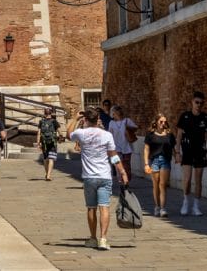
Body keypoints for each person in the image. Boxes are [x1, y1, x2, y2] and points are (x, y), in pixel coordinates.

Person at [70, 107, 129, 251]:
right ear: (98, 120)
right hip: (104, 176)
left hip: (89, 177)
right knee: (104, 207)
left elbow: (68, 133)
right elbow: (114, 156)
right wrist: (122, 171)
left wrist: (74, 118)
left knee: (91, 208)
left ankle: (92, 238)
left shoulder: (81, 133)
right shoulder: (106, 135)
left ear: (85, 120)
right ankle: (103, 239)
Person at [175, 90, 207, 216]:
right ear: (192, 102)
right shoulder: (185, 116)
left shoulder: (205, 117)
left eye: (201, 103)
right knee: (187, 180)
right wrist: (177, 152)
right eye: (197, 102)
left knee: (198, 180)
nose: (199, 105)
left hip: (200, 151)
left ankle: (196, 206)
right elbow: (179, 135)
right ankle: (186, 201)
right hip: (187, 151)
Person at [143, 113, 175, 217]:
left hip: (165, 160)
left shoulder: (169, 134)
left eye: (164, 122)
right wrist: (146, 164)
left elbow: (173, 148)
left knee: (163, 185)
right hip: (154, 160)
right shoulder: (150, 134)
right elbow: (146, 149)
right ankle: (157, 206)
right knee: (156, 185)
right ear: (156, 122)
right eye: (161, 121)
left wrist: (177, 156)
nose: (163, 123)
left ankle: (163, 208)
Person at [107, 105, 139, 188]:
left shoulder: (127, 120)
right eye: (115, 112)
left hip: (127, 147)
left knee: (127, 166)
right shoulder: (111, 123)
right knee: (118, 166)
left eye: (118, 111)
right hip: (115, 149)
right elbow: (110, 134)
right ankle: (122, 181)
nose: (117, 113)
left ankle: (127, 180)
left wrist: (128, 127)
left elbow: (136, 128)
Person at [36, 107, 60, 180]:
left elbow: (39, 133)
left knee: (46, 159)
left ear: (44, 113)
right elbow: (59, 131)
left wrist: (38, 143)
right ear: (51, 113)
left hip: (44, 142)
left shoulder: (41, 121)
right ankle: (49, 175)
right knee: (51, 159)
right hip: (52, 142)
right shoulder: (54, 121)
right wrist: (61, 137)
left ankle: (47, 174)